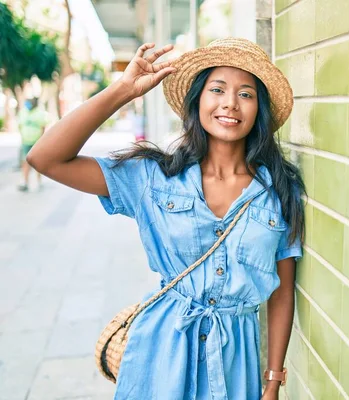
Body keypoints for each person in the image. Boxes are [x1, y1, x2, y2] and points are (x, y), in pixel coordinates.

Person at [27, 38, 305, 400]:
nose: (230, 103)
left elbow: (282, 292)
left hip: (236, 363)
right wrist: (123, 90)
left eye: (246, 94)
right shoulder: (153, 177)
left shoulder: (279, 189)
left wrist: (272, 383)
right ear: (198, 101)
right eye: (217, 89)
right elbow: (46, 158)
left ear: (259, 110)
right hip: (160, 356)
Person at [17, 97, 48, 191]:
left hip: (36, 142)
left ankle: (39, 181)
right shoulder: (22, 112)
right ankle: (25, 182)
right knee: (24, 161)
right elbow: (20, 126)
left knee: (37, 162)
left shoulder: (39, 113)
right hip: (25, 142)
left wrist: (41, 141)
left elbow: (43, 127)